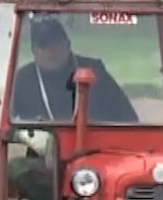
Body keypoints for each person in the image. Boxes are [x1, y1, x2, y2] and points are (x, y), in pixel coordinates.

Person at [9, 16, 138, 124]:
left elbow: (128, 117)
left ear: (68, 45)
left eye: (56, 44)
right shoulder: (23, 80)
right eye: (43, 47)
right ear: (33, 51)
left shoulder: (93, 70)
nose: (51, 51)